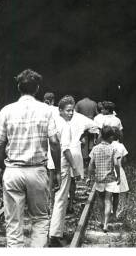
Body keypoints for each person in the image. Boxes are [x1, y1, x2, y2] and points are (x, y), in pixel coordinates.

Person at [0, 69, 60, 247]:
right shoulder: (46, 110)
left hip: (13, 172)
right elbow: (54, 142)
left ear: (18, 87)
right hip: (37, 171)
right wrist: (58, 172)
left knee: (14, 223)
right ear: (37, 88)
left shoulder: (7, 111)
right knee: (40, 219)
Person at [48, 96, 81, 247]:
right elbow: (66, 149)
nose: (70, 113)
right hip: (62, 166)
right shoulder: (65, 126)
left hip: (51, 165)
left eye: (72, 110)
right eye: (68, 110)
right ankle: (55, 235)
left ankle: (50, 231)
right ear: (60, 110)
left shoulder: (53, 123)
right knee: (61, 199)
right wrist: (75, 167)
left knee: (52, 198)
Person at [88, 126, 121, 232]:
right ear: (110, 137)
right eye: (113, 137)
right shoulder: (113, 149)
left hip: (99, 179)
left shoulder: (95, 148)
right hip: (110, 179)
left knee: (100, 200)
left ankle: (102, 220)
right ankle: (106, 224)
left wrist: (89, 176)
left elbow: (91, 164)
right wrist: (118, 176)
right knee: (108, 201)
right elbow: (116, 163)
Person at [110, 128, 129, 219]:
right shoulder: (121, 146)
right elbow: (125, 159)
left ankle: (108, 212)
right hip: (119, 169)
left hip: (108, 170)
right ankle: (114, 213)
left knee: (108, 193)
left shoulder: (108, 145)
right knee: (117, 193)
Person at [43, 92, 60, 199]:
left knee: (46, 165)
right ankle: (54, 191)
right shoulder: (57, 110)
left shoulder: (40, 109)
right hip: (54, 136)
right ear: (53, 100)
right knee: (54, 166)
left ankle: (47, 191)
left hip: (43, 138)